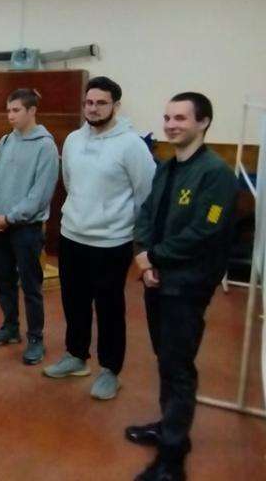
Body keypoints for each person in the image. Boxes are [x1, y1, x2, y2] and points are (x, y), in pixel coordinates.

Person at [128, 93, 238, 481]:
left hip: (187, 286)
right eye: (167, 117)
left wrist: (154, 257)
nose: (171, 125)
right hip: (156, 278)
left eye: (180, 118)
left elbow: (205, 231)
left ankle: (172, 459)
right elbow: (146, 213)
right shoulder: (167, 167)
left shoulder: (216, 174)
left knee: (178, 367)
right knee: (166, 358)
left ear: (203, 122)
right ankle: (169, 426)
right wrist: (143, 256)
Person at [43, 76, 155, 400]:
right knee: (73, 301)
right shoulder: (73, 140)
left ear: (115, 106)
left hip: (111, 242)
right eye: (89, 102)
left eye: (101, 103)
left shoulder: (131, 145)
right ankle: (76, 356)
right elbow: (69, 183)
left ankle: (110, 371)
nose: (93, 108)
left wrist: (124, 227)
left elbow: (146, 193)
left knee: (109, 308)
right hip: (72, 236)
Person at [0, 88, 59, 365]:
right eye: (8, 110)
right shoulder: (4, 142)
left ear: (32, 111)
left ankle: (35, 338)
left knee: (31, 285)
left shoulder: (45, 147)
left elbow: (40, 194)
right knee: (2, 278)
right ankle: (10, 327)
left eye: (16, 110)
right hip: (0, 225)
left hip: (26, 228)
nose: (10, 115)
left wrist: (11, 217)